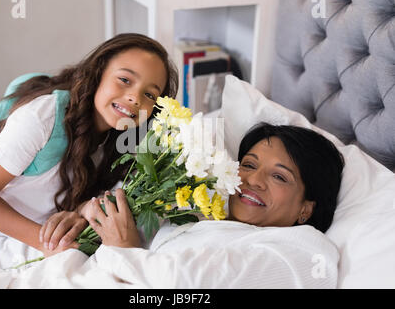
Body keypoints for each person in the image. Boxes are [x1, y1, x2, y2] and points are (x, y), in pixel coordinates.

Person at [0, 33, 178, 269]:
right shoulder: (42, 118)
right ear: (98, 72)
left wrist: (82, 211)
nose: (134, 98)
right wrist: (47, 243)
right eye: (125, 80)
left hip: (44, 240)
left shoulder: (124, 140)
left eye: (149, 94)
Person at [80, 123, 345, 288]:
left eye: (279, 176)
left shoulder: (306, 250)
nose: (253, 180)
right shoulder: (197, 211)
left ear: (306, 209)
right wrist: (86, 214)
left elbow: (187, 284)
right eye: (249, 165)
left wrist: (124, 251)